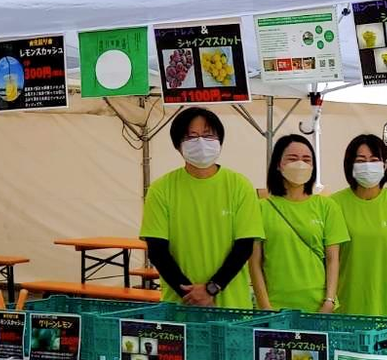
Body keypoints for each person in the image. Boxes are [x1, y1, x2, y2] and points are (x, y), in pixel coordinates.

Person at [140, 107, 262, 310]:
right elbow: (157, 251)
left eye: (208, 135)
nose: (201, 143)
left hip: (232, 307)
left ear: (220, 141)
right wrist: (191, 295)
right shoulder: (161, 189)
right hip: (178, 307)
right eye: (192, 136)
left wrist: (212, 289)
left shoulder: (240, 186)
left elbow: (244, 247)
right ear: (178, 145)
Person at [250, 134, 348, 312]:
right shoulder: (261, 207)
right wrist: (265, 306)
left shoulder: (327, 206)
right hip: (275, 306)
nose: (300, 164)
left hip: (317, 306)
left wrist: (329, 301)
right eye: (292, 158)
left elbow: (333, 259)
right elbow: (255, 262)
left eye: (306, 159)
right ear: (278, 164)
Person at [330, 134, 387, 317]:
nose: (368, 165)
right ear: (350, 165)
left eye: (374, 160)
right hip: (344, 306)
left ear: (385, 164)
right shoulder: (333, 205)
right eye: (360, 160)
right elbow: (328, 260)